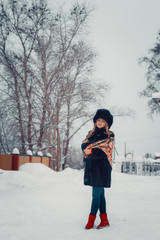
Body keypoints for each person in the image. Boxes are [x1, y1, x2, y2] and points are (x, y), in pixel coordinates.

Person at [81, 109, 114, 230]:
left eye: (103, 120)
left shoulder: (109, 135)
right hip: (91, 167)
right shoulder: (91, 134)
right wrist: (87, 149)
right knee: (100, 195)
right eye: (98, 120)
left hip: (102, 168)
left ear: (107, 123)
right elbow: (83, 144)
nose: (100, 122)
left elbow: (104, 152)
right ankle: (104, 220)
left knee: (96, 195)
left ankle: (91, 220)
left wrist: (90, 151)